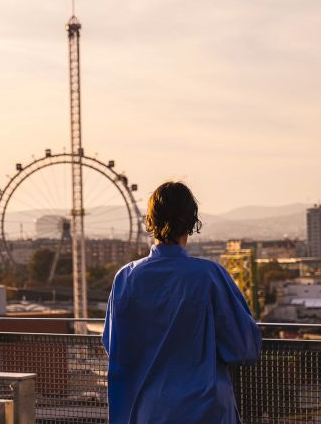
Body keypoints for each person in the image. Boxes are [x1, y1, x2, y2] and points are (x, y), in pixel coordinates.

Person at [102, 181, 261, 423]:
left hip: (144, 410)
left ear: (150, 221)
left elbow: (113, 345)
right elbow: (243, 347)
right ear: (191, 221)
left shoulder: (126, 278)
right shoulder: (209, 275)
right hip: (204, 409)